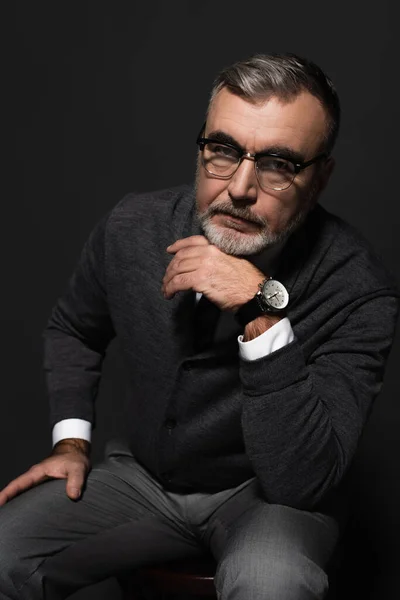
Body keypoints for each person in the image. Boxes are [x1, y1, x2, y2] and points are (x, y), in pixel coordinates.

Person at [0, 52, 398, 600]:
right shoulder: (132, 226)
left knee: (272, 583)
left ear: (320, 177)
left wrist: (258, 308)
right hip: (140, 478)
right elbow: (74, 327)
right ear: (202, 147)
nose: (239, 187)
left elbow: (300, 481)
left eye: (279, 164)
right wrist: (71, 443)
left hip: (267, 498)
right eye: (224, 150)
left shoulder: (359, 288)